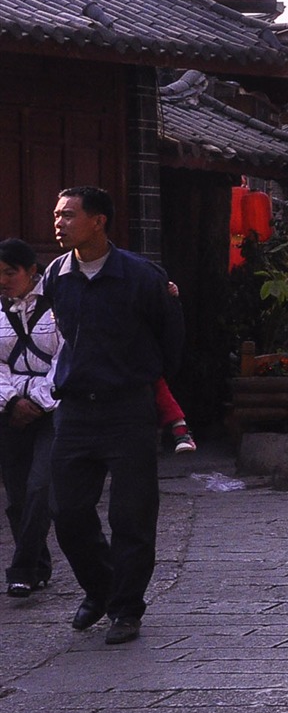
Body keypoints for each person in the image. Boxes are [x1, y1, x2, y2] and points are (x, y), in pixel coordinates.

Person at [44, 187, 184, 645]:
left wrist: (142, 378)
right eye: (57, 215)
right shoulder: (56, 276)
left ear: (99, 221)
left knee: (132, 516)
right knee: (67, 512)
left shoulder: (141, 277)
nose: (59, 223)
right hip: (76, 410)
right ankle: (101, 589)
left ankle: (126, 608)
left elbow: (170, 337)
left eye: (69, 215)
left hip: (127, 408)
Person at [0, 238, 57, 598]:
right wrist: (10, 402)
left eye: (10, 272)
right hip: (9, 412)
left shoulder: (57, 308)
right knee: (17, 494)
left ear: (31, 271)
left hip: (52, 410)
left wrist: (36, 399)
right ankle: (37, 564)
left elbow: (66, 358)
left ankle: (21, 567)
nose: (4, 280)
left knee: (40, 486)